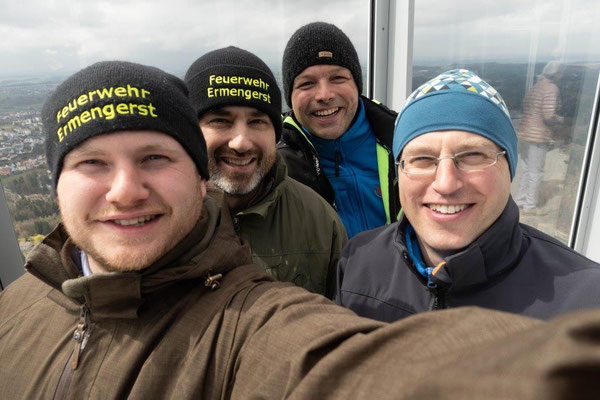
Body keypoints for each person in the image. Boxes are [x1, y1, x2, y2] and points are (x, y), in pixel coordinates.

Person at [3, 61, 600, 400]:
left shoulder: (249, 312)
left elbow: (334, 362)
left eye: (155, 158)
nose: (126, 189)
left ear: (194, 177)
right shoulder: (19, 303)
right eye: (91, 163)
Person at [335, 69, 600, 322]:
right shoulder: (358, 263)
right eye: (422, 159)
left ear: (510, 169)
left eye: (473, 156)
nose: (446, 183)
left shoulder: (584, 301)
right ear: (399, 173)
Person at [184, 46, 347, 297]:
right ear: (190, 131)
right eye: (220, 121)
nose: (241, 142)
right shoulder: (160, 216)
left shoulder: (320, 222)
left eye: (257, 121)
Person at [278, 21, 400, 238]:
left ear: (356, 84)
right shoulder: (276, 166)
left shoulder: (403, 142)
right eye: (307, 84)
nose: (324, 95)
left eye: (337, 78)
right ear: (290, 97)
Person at [516, 60, 564, 212]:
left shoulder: (536, 86)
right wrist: (562, 120)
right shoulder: (551, 88)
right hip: (537, 135)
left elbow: (524, 107)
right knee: (536, 172)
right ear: (557, 74)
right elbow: (549, 115)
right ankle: (530, 205)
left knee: (526, 170)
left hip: (525, 133)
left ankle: (520, 200)